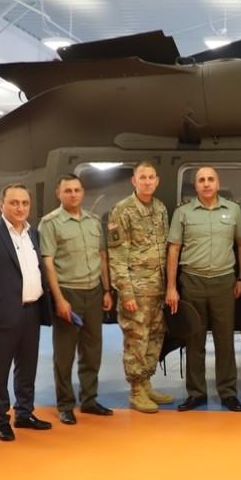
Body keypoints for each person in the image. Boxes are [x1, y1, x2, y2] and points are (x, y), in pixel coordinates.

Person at [0, 183, 52, 441]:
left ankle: (24, 413)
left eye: (25, 203)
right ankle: (0, 420)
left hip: (32, 311)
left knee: (27, 368)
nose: (20, 208)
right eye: (14, 202)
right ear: (1, 204)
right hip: (1, 314)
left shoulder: (33, 233)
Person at [166, 166, 241, 412]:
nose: (206, 183)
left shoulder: (232, 210)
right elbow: (174, 249)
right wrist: (171, 287)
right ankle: (196, 393)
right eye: (201, 180)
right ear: (196, 185)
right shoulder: (183, 212)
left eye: (211, 179)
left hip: (224, 282)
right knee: (194, 340)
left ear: (218, 183)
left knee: (225, 341)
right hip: (193, 282)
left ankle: (228, 393)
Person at [39, 174, 115, 425]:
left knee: (92, 351)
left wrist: (106, 289)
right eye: (68, 190)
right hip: (68, 293)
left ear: (83, 192)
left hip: (93, 292)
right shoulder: (50, 223)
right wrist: (59, 299)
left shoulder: (93, 221)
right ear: (58, 194)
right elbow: (48, 263)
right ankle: (65, 405)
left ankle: (90, 400)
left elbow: (101, 256)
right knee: (64, 354)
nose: (73, 194)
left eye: (77, 190)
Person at [108, 161, 172, 414]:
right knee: (136, 340)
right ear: (134, 181)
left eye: (151, 177)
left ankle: (146, 384)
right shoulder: (122, 210)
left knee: (155, 338)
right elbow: (117, 256)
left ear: (157, 181)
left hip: (158, 289)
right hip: (136, 290)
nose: (147, 181)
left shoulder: (160, 208)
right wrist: (126, 292)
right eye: (142, 177)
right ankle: (136, 391)